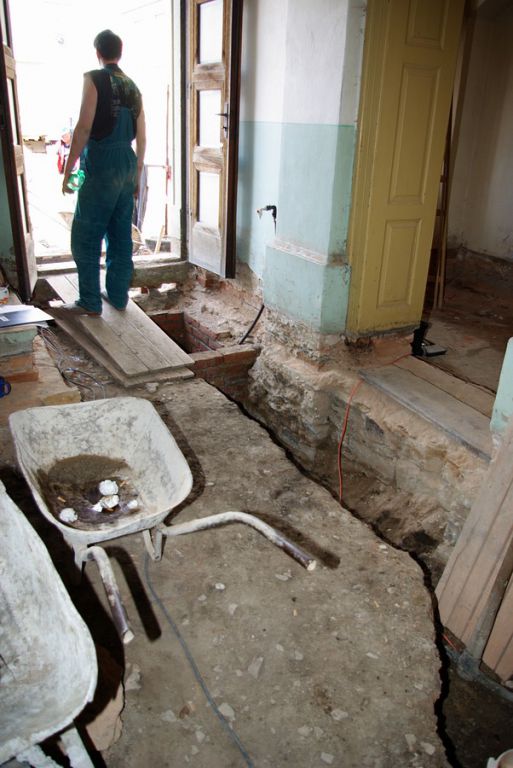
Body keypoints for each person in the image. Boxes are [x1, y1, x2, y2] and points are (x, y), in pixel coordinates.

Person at [59, 29, 146, 316]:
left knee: (86, 233)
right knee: (120, 233)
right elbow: (142, 138)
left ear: (98, 53)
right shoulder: (133, 87)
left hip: (102, 163)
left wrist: (69, 170)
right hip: (126, 163)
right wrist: (137, 176)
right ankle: (118, 296)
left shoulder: (94, 79)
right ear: (120, 53)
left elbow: (84, 127)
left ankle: (90, 301)